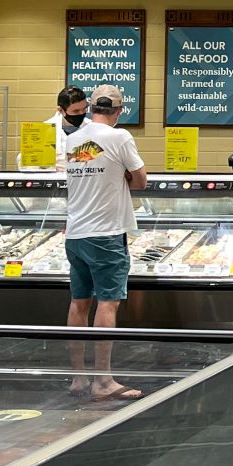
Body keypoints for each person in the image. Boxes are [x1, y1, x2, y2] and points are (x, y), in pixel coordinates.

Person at [61, 83, 146, 400]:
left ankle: (79, 378)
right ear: (119, 111)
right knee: (107, 303)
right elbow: (140, 181)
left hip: (76, 233)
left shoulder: (73, 139)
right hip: (106, 234)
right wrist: (123, 174)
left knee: (79, 302)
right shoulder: (119, 137)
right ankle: (103, 381)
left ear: (91, 108)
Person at [22, 87, 86, 172]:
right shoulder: (44, 130)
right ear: (60, 110)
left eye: (84, 109)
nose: (81, 113)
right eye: (76, 111)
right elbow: (28, 166)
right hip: (54, 178)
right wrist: (50, 167)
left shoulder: (93, 128)